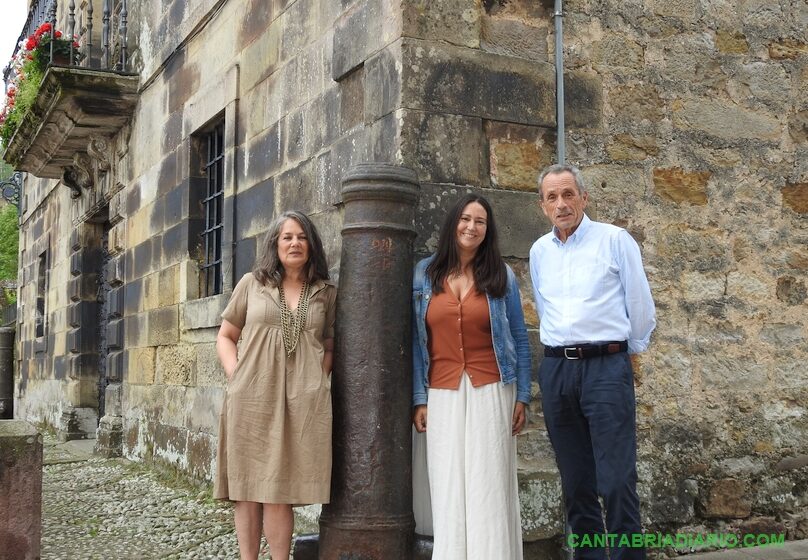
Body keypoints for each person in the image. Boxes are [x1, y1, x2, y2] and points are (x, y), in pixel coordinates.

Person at [529, 164, 656, 560]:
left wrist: (625, 355)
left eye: (569, 194)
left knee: (617, 480)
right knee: (576, 482)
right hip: (557, 372)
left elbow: (640, 306)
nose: (562, 204)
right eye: (553, 197)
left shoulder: (615, 240)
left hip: (605, 368)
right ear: (543, 205)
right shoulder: (539, 252)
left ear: (584, 198)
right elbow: (544, 306)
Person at [412, 193, 531, 560]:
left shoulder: (501, 275)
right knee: (448, 483)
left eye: (480, 221)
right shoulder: (425, 273)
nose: (472, 227)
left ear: (488, 230)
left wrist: (523, 395)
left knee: (488, 481)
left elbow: (519, 335)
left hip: (492, 387)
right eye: (466, 219)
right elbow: (415, 341)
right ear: (453, 224)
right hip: (442, 390)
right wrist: (420, 398)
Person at [214, 210, 337, 560]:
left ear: (311, 245)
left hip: (302, 402)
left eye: (301, 237)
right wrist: (237, 375)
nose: (295, 243)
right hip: (251, 397)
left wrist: (319, 380)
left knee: (279, 488)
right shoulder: (253, 284)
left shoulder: (326, 293)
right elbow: (226, 336)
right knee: (247, 487)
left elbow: (330, 344)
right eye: (287, 237)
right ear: (276, 244)